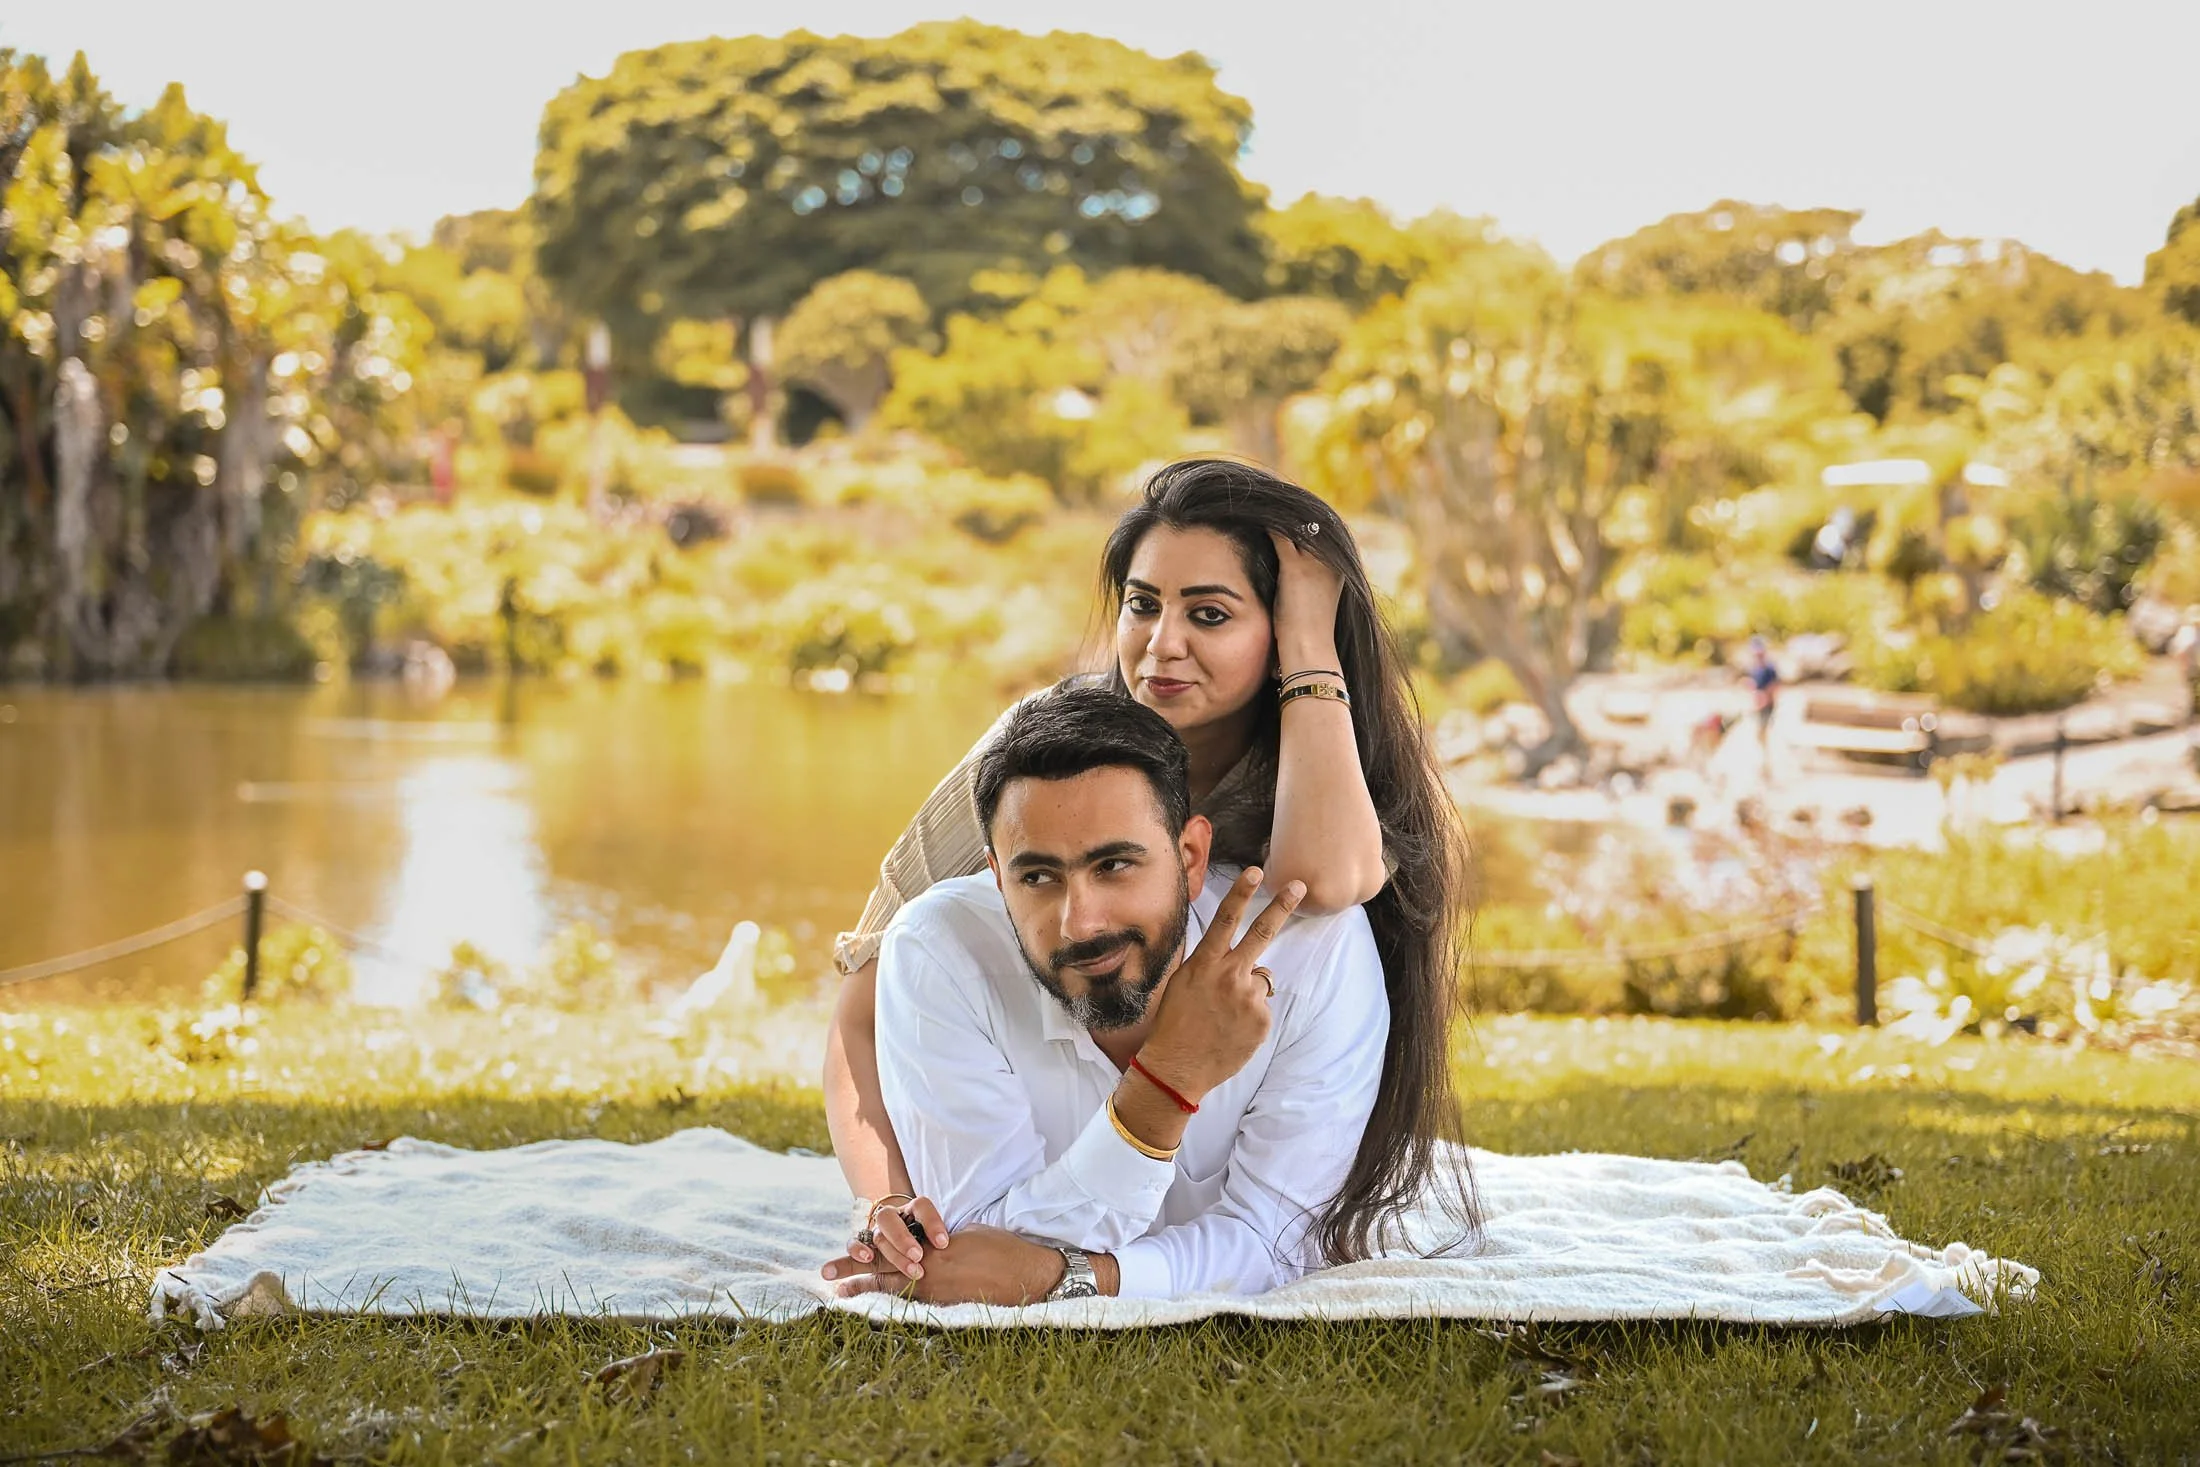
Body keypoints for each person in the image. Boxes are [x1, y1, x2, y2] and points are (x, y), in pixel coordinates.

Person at [823, 458, 1470, 1282]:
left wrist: (1309, 634)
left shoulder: (1316, 765)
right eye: (1142, 604)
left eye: (1210, 613)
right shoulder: (1043, 761)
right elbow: (866, 1000)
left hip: (1234, 1138)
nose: (1163, 645)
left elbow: (1325, 884)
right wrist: (884, 1203)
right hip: (1067, 1123)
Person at [821, 685, 1386, 1303]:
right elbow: (975, 1247)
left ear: (1191, 856)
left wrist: (1073, 1279)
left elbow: (1277, 1245)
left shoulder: (1313, 956)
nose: (1080, 923)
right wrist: (1167, 1087)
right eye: (1037, 876)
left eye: (1114, 865)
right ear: (996, 877)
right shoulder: (940, 948)